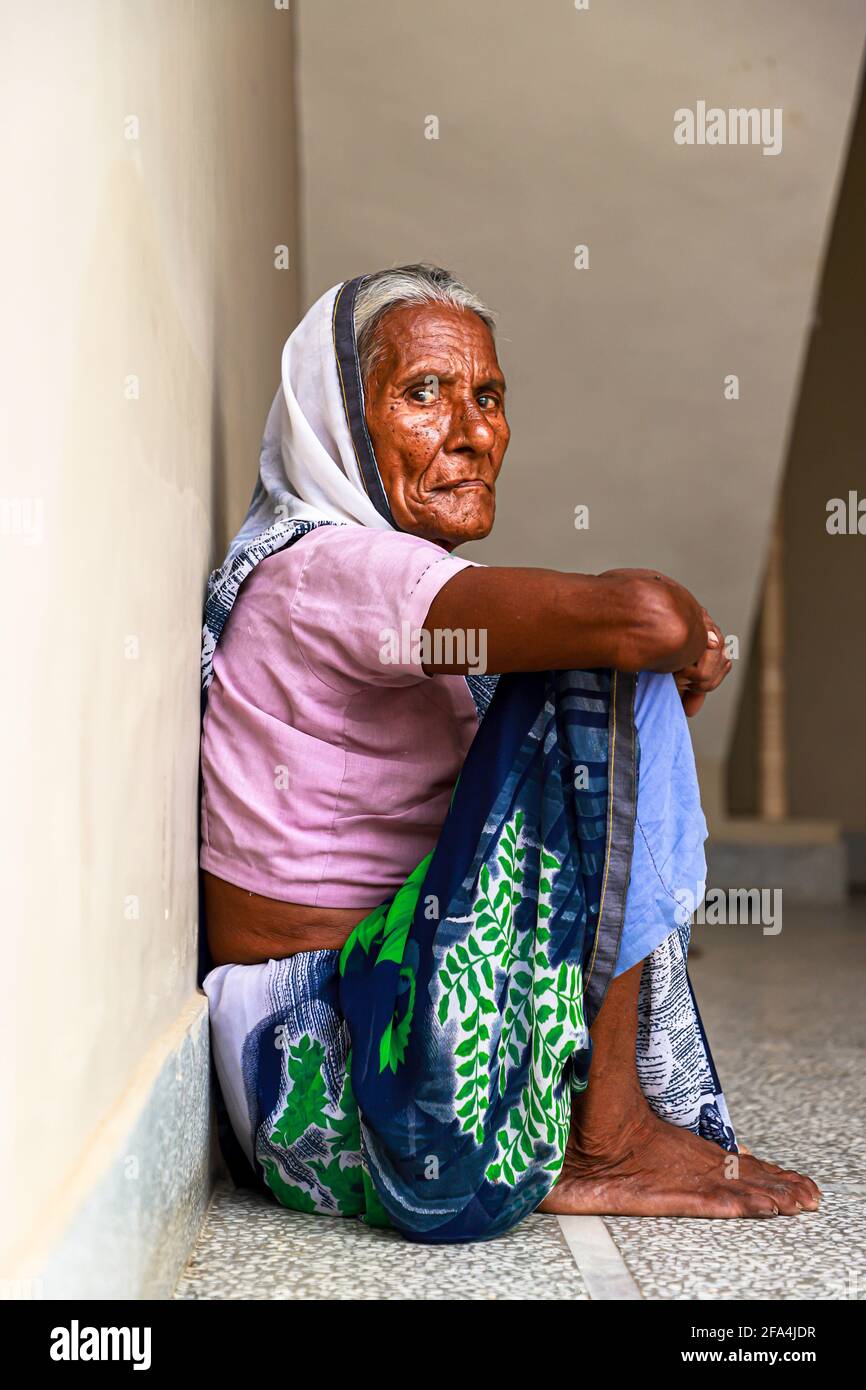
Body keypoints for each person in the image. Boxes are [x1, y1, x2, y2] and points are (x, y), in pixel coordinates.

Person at [198, 265, 818, 1241]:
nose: (472, 429)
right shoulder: (334, 569)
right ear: (339, 425)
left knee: (603, 672)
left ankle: (595, 1119)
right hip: (330, 1056)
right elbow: (638, 617)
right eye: (421, 394)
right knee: (605, 666)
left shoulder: (349, 578)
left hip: (345, 1038)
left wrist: (656, 660)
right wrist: (678, 638)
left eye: (486, 396)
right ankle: (600, 1138)